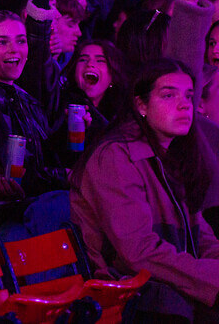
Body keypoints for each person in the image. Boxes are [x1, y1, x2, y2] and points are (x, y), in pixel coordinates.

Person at [71, 60, 219, 322]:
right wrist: (208, 276)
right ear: (141, 105)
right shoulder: (117, 156)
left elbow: (200, 232)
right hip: (127, 293)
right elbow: (138, 252)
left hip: (169, 282)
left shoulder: (171, 153)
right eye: (168, 95)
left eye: (188, 95)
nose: (184, 104)